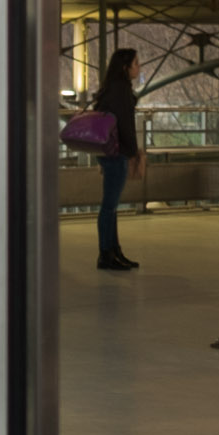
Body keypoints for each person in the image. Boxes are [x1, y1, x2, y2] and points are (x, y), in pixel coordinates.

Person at [93, 49, 144, 271]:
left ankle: (113, 251)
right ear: (125, 67)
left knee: (111, 206)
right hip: (117, 153)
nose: (139, 67)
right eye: (136, 63)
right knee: (109, 206)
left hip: (107, 152)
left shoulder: (110, 89)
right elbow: (126, 125)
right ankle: (106, 254)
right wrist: (133, 152)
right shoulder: (121, 90)